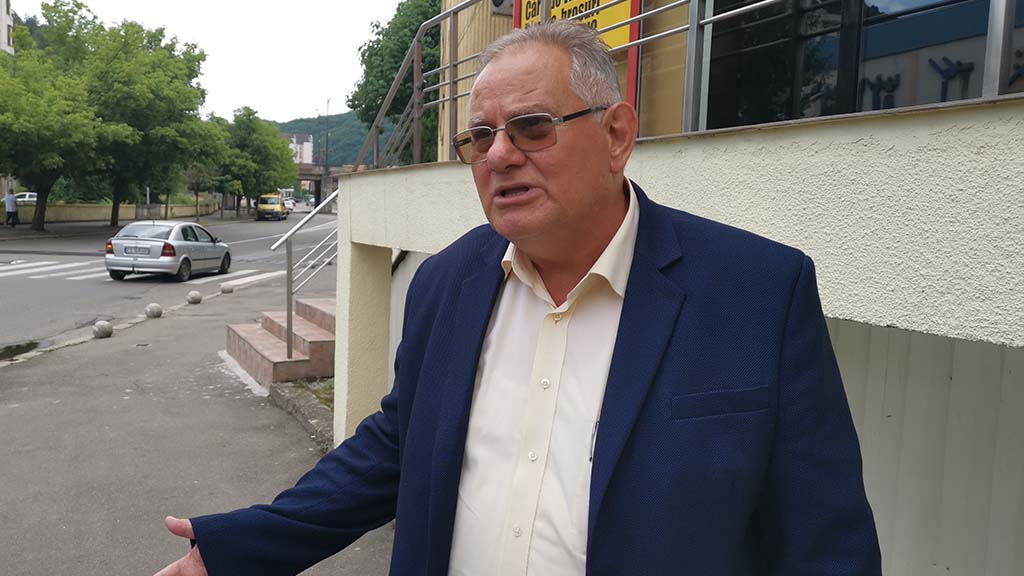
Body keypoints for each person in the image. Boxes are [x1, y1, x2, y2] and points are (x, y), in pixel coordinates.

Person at [156, 22, 881, 576]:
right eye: (481, 137)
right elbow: (395, 449)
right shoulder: (445, 282)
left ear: (617, 135)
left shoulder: (756, 292)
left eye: (532, 127)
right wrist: (243, 548)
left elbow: (825, 543)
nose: (499, 155)